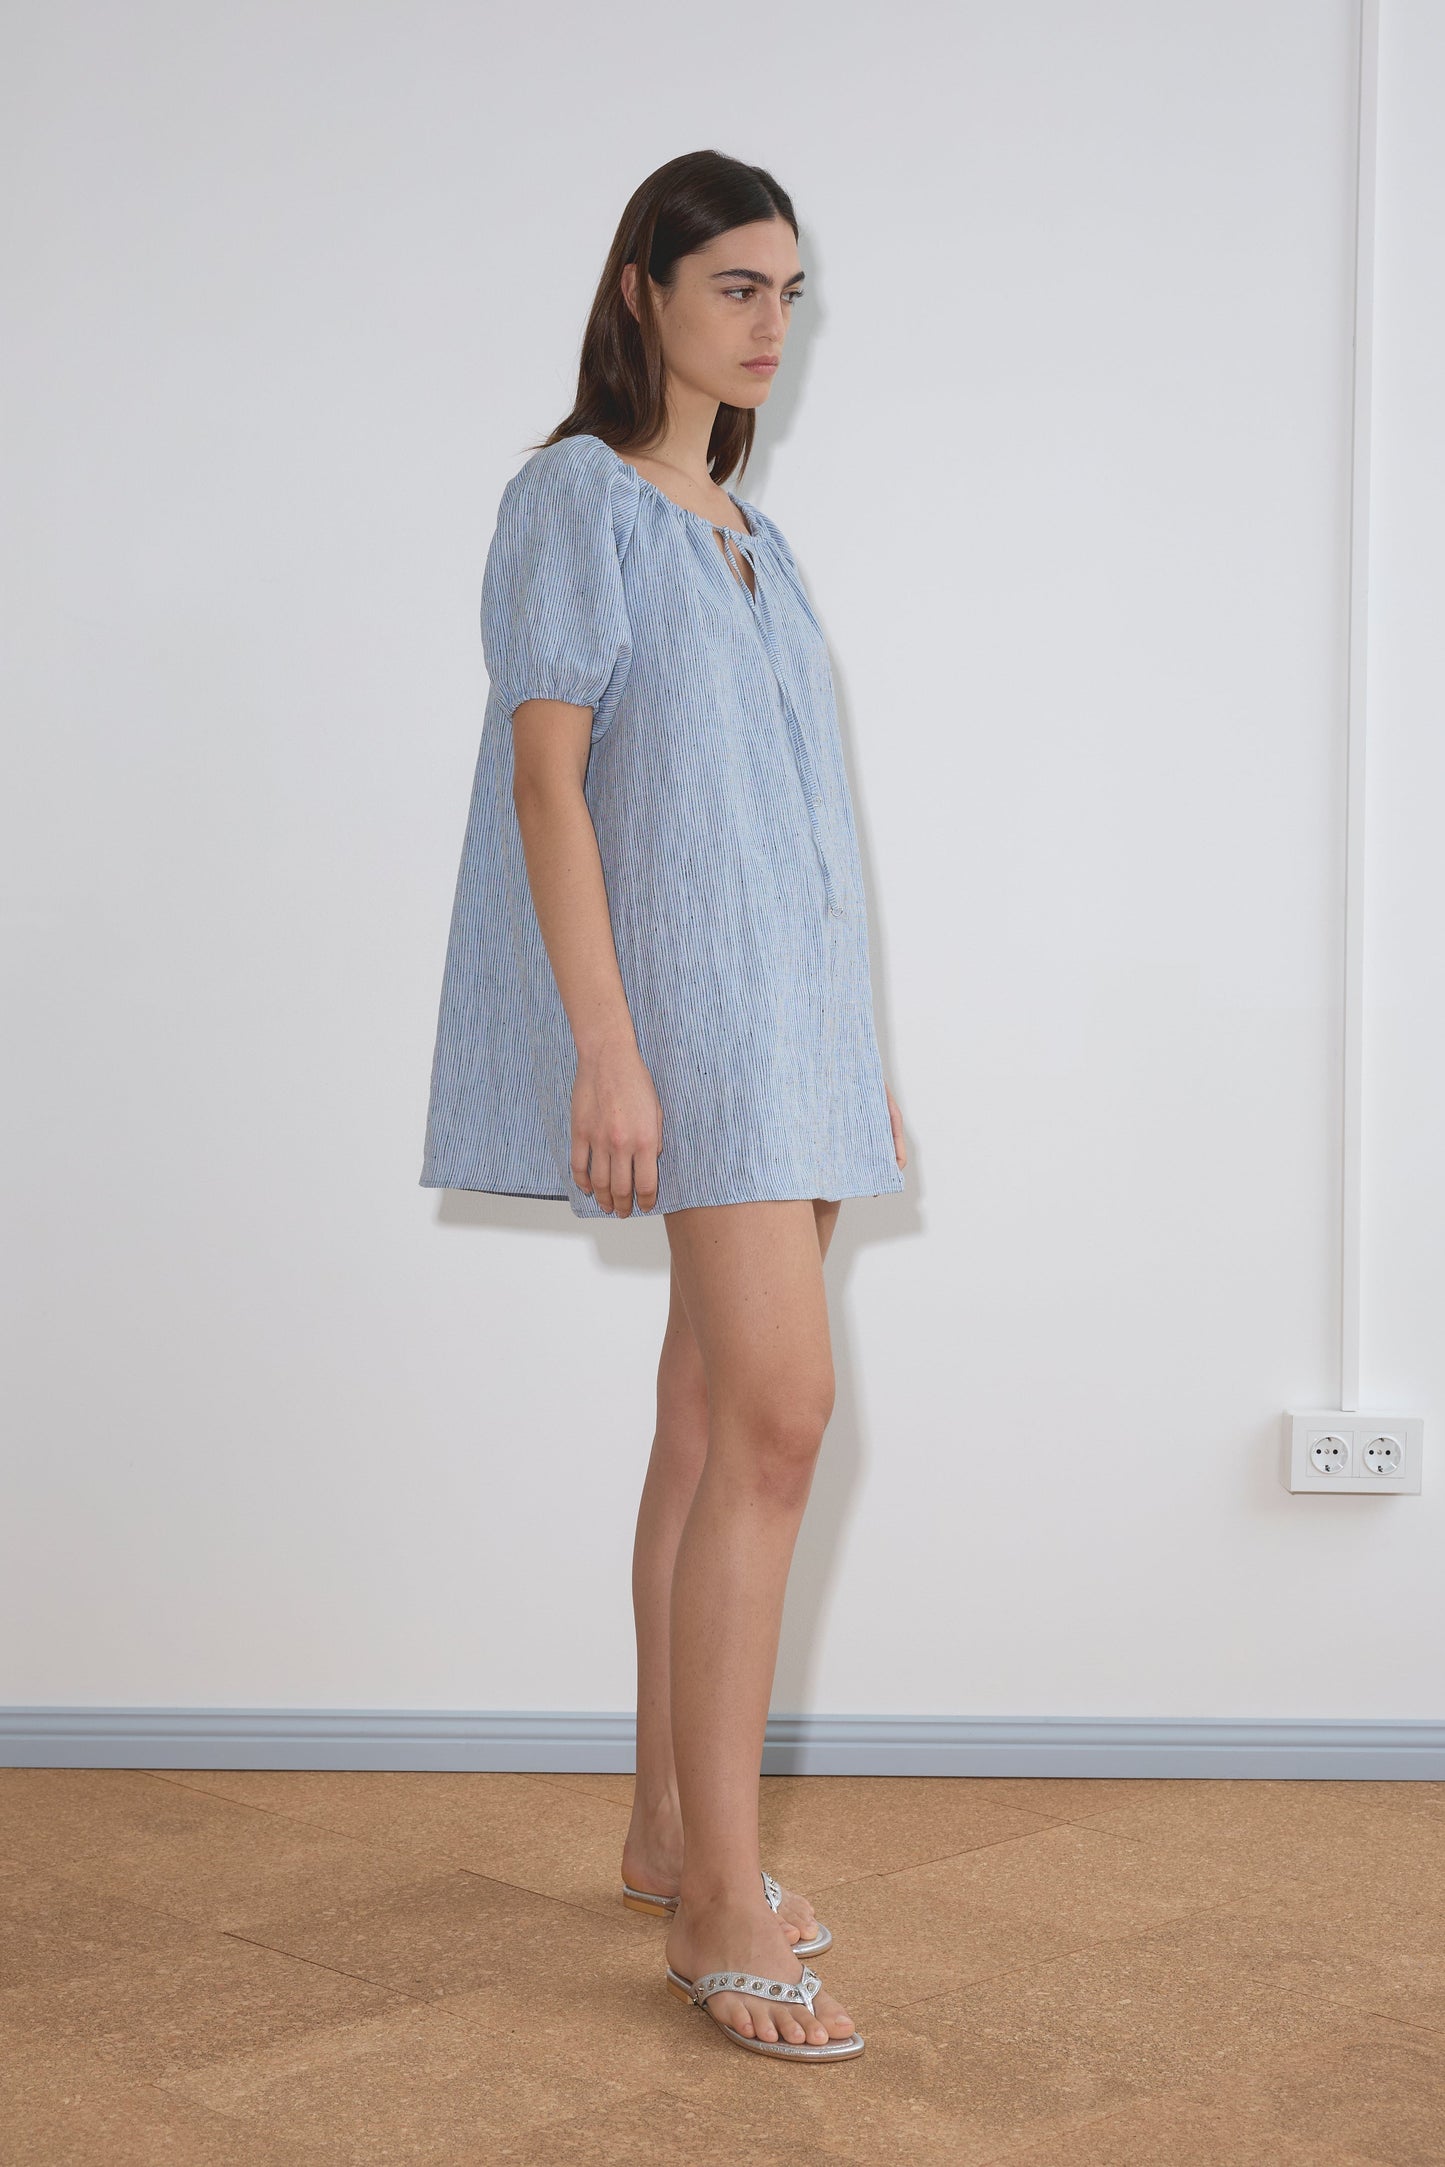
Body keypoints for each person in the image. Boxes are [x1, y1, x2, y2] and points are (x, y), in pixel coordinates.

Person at [419, 148, 907, 2063]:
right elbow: (552, 788)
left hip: (793, 1039)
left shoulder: (749, 536)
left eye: (790, 292)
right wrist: (605, 1047)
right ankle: (719, 1902)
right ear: (641, 289)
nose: (767, 324)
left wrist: (850, 1061)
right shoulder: (575, 500)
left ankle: (657, 1829)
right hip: (687, 1035)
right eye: (733, 287)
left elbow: (789, 834)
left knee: (713, 1422)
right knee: (784, 1422)